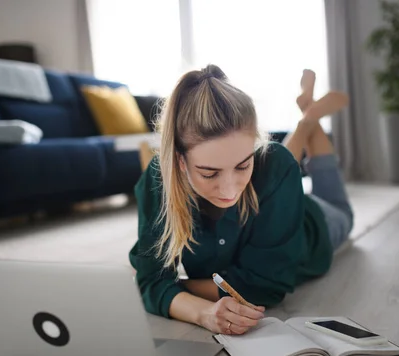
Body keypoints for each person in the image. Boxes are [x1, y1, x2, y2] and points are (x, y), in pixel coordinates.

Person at [129, 65, 353, 335]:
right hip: (276, 192)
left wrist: (171, 288)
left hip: (318, 222)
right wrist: (201, 312)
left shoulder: (275, 166)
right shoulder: (159, 181)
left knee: (342, 211)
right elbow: (152, 282)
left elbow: (264, 286)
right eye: (209, 173)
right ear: (180, 161)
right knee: (278, 165)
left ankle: (308, 120)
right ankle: (307, 117)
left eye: (243, 166)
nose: (228, 190)